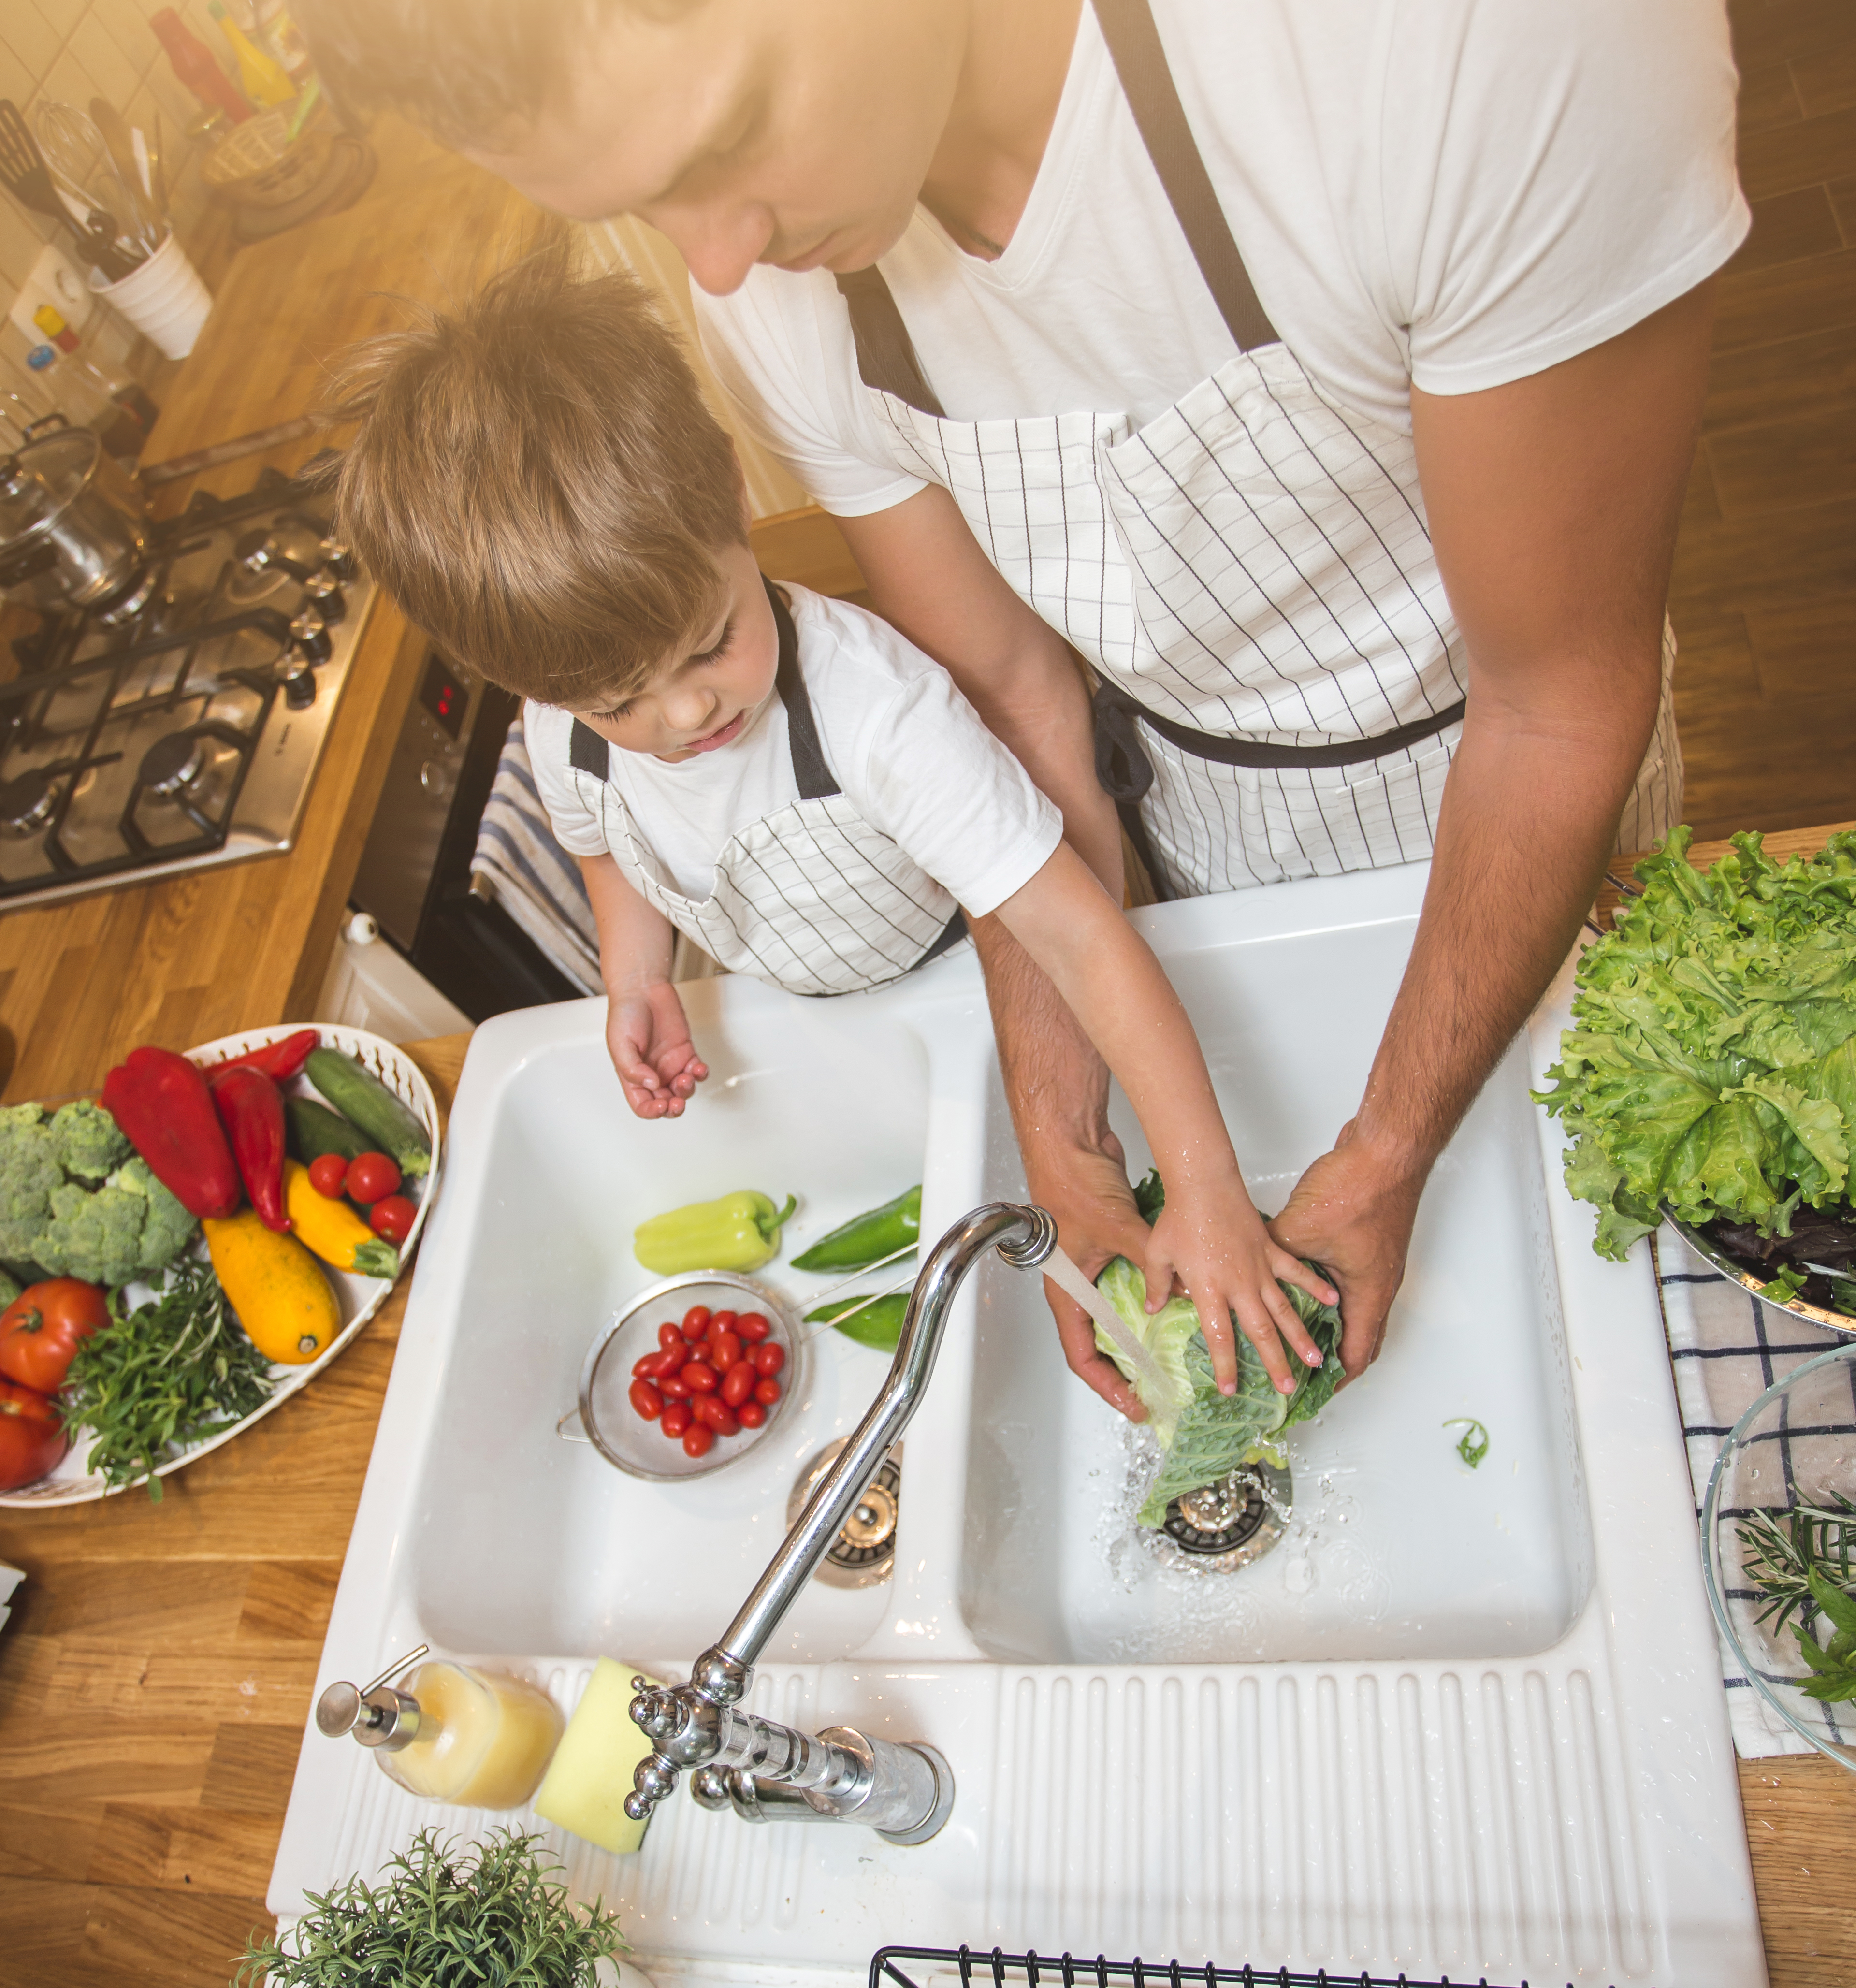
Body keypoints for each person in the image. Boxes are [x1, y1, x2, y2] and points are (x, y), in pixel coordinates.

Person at [295, 0, 1744, 1408]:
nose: (721, 267)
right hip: (1186, 806)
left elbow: (1554, 706)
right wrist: (1065, 1141)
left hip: (1504, 795)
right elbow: (1015, 695)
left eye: (726, 139)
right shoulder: (781, 288)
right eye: (647, 211)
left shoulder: (1457, 47)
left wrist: (1383, 1154)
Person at [328, 252, 1337, 1396]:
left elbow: (1083, 941)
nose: (684, 713)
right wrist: (637, 971)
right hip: (809, 1014)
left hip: (984, 982)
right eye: (620, 702)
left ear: (731, 495)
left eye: (710, 645)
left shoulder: (875, 713)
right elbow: (595, 836)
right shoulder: (562, 720)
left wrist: (1204, 1184)